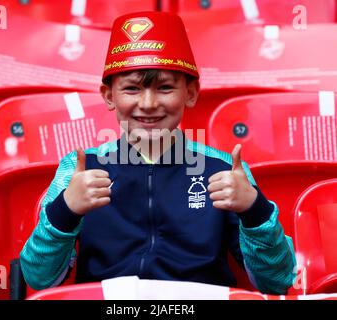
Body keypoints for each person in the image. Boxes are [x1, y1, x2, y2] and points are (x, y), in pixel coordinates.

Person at [20, 11, 296, 295]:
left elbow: (278, 280)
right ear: (108, 96)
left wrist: (255, 210)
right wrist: (65, 209)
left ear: (190, 93)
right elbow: (38, 277)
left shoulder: (224, 169)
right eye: (132, 89)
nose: (148, 103)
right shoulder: (79, 169)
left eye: (165, 88)